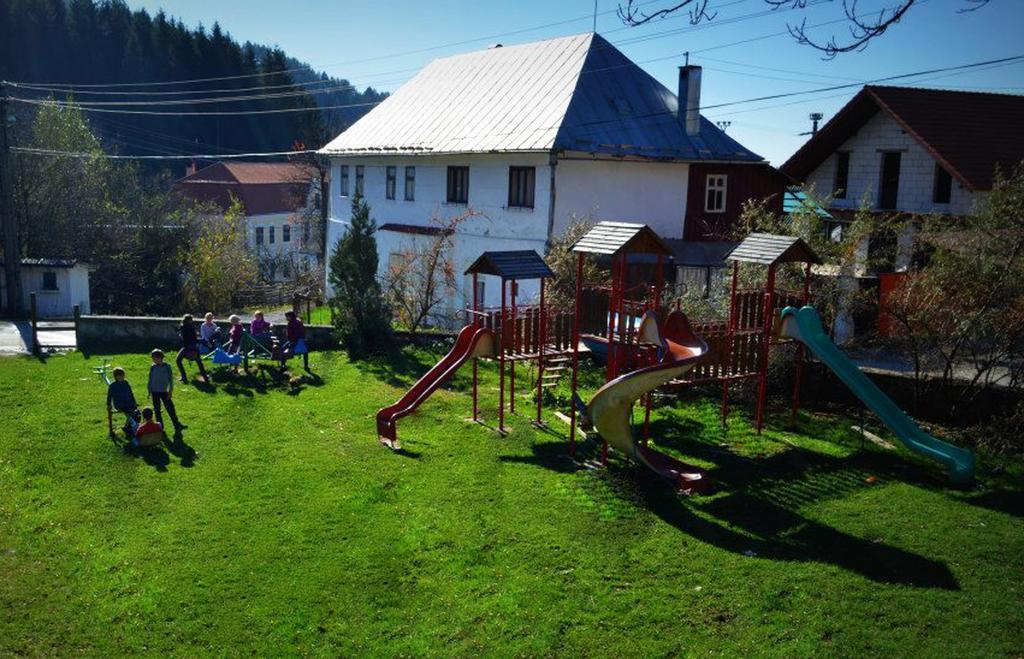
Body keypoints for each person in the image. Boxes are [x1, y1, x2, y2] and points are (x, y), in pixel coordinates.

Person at [148, 348, 184, 431]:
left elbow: (170, 380)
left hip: (164, 391)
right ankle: (160, 427)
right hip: (155, 392)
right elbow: (150, 378)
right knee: (157, 410)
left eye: (154, 358)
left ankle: (176, 424)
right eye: (152, 358)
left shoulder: (167, 367)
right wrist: (149, 389)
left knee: (170, 408)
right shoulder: (153, 367)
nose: (153, 360)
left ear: (160, 358)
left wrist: (170, 391)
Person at [106, 367, 140, 436]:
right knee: (131, 414)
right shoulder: (113, 386)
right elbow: (109, 396)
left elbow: (131, 394)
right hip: (120, 404)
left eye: (122, 375)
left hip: (129, 403)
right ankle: (129, 429)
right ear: (116, 377)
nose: (122, 377)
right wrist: (109, 405)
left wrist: (134, 402)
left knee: (137, 414)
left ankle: (128, 428)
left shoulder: (126, 383)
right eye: (120, 376)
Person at [176, 314, 209, 384]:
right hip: (194, 347)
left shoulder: (182, 327)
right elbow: (195, 339)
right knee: (199, 363)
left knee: (178, 360)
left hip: (187, 347)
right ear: (190, 320)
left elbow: (181, 336)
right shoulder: (192, 327)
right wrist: (201, 341)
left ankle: (184, 378)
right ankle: (206, 378)